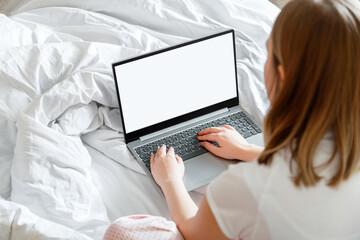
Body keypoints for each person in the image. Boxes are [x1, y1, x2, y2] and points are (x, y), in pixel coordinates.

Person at [149, 0, 360, 239]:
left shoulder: (246, 188)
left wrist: (170, 180)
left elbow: (194, 231)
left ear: (282, 76)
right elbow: (310, 170)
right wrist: (247, 150)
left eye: (269, 53)